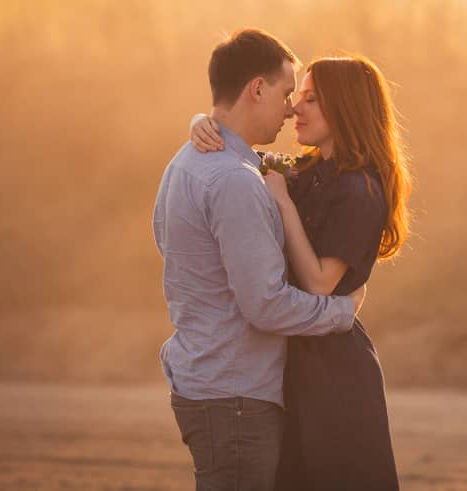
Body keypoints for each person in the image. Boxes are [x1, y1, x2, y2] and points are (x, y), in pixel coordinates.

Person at [153, 29, 367, 491]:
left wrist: (198, 120)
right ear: (256, 89)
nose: (291, 108)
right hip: (234, 396)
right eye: (288, 93)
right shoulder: (236, 181)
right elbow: (265, 304)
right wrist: (341, 312)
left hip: (208, 383)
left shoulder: (185, 162)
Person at [189, 54, 411, 491]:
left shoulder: (360, 190)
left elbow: (319, 283)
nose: (294, 108)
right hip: (293, 359)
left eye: (310, 99)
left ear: (345, 107)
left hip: (334, 371)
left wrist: (284, 204)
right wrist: (201, 121)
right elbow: (241, 153)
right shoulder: (308, 169)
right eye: (298, 96)